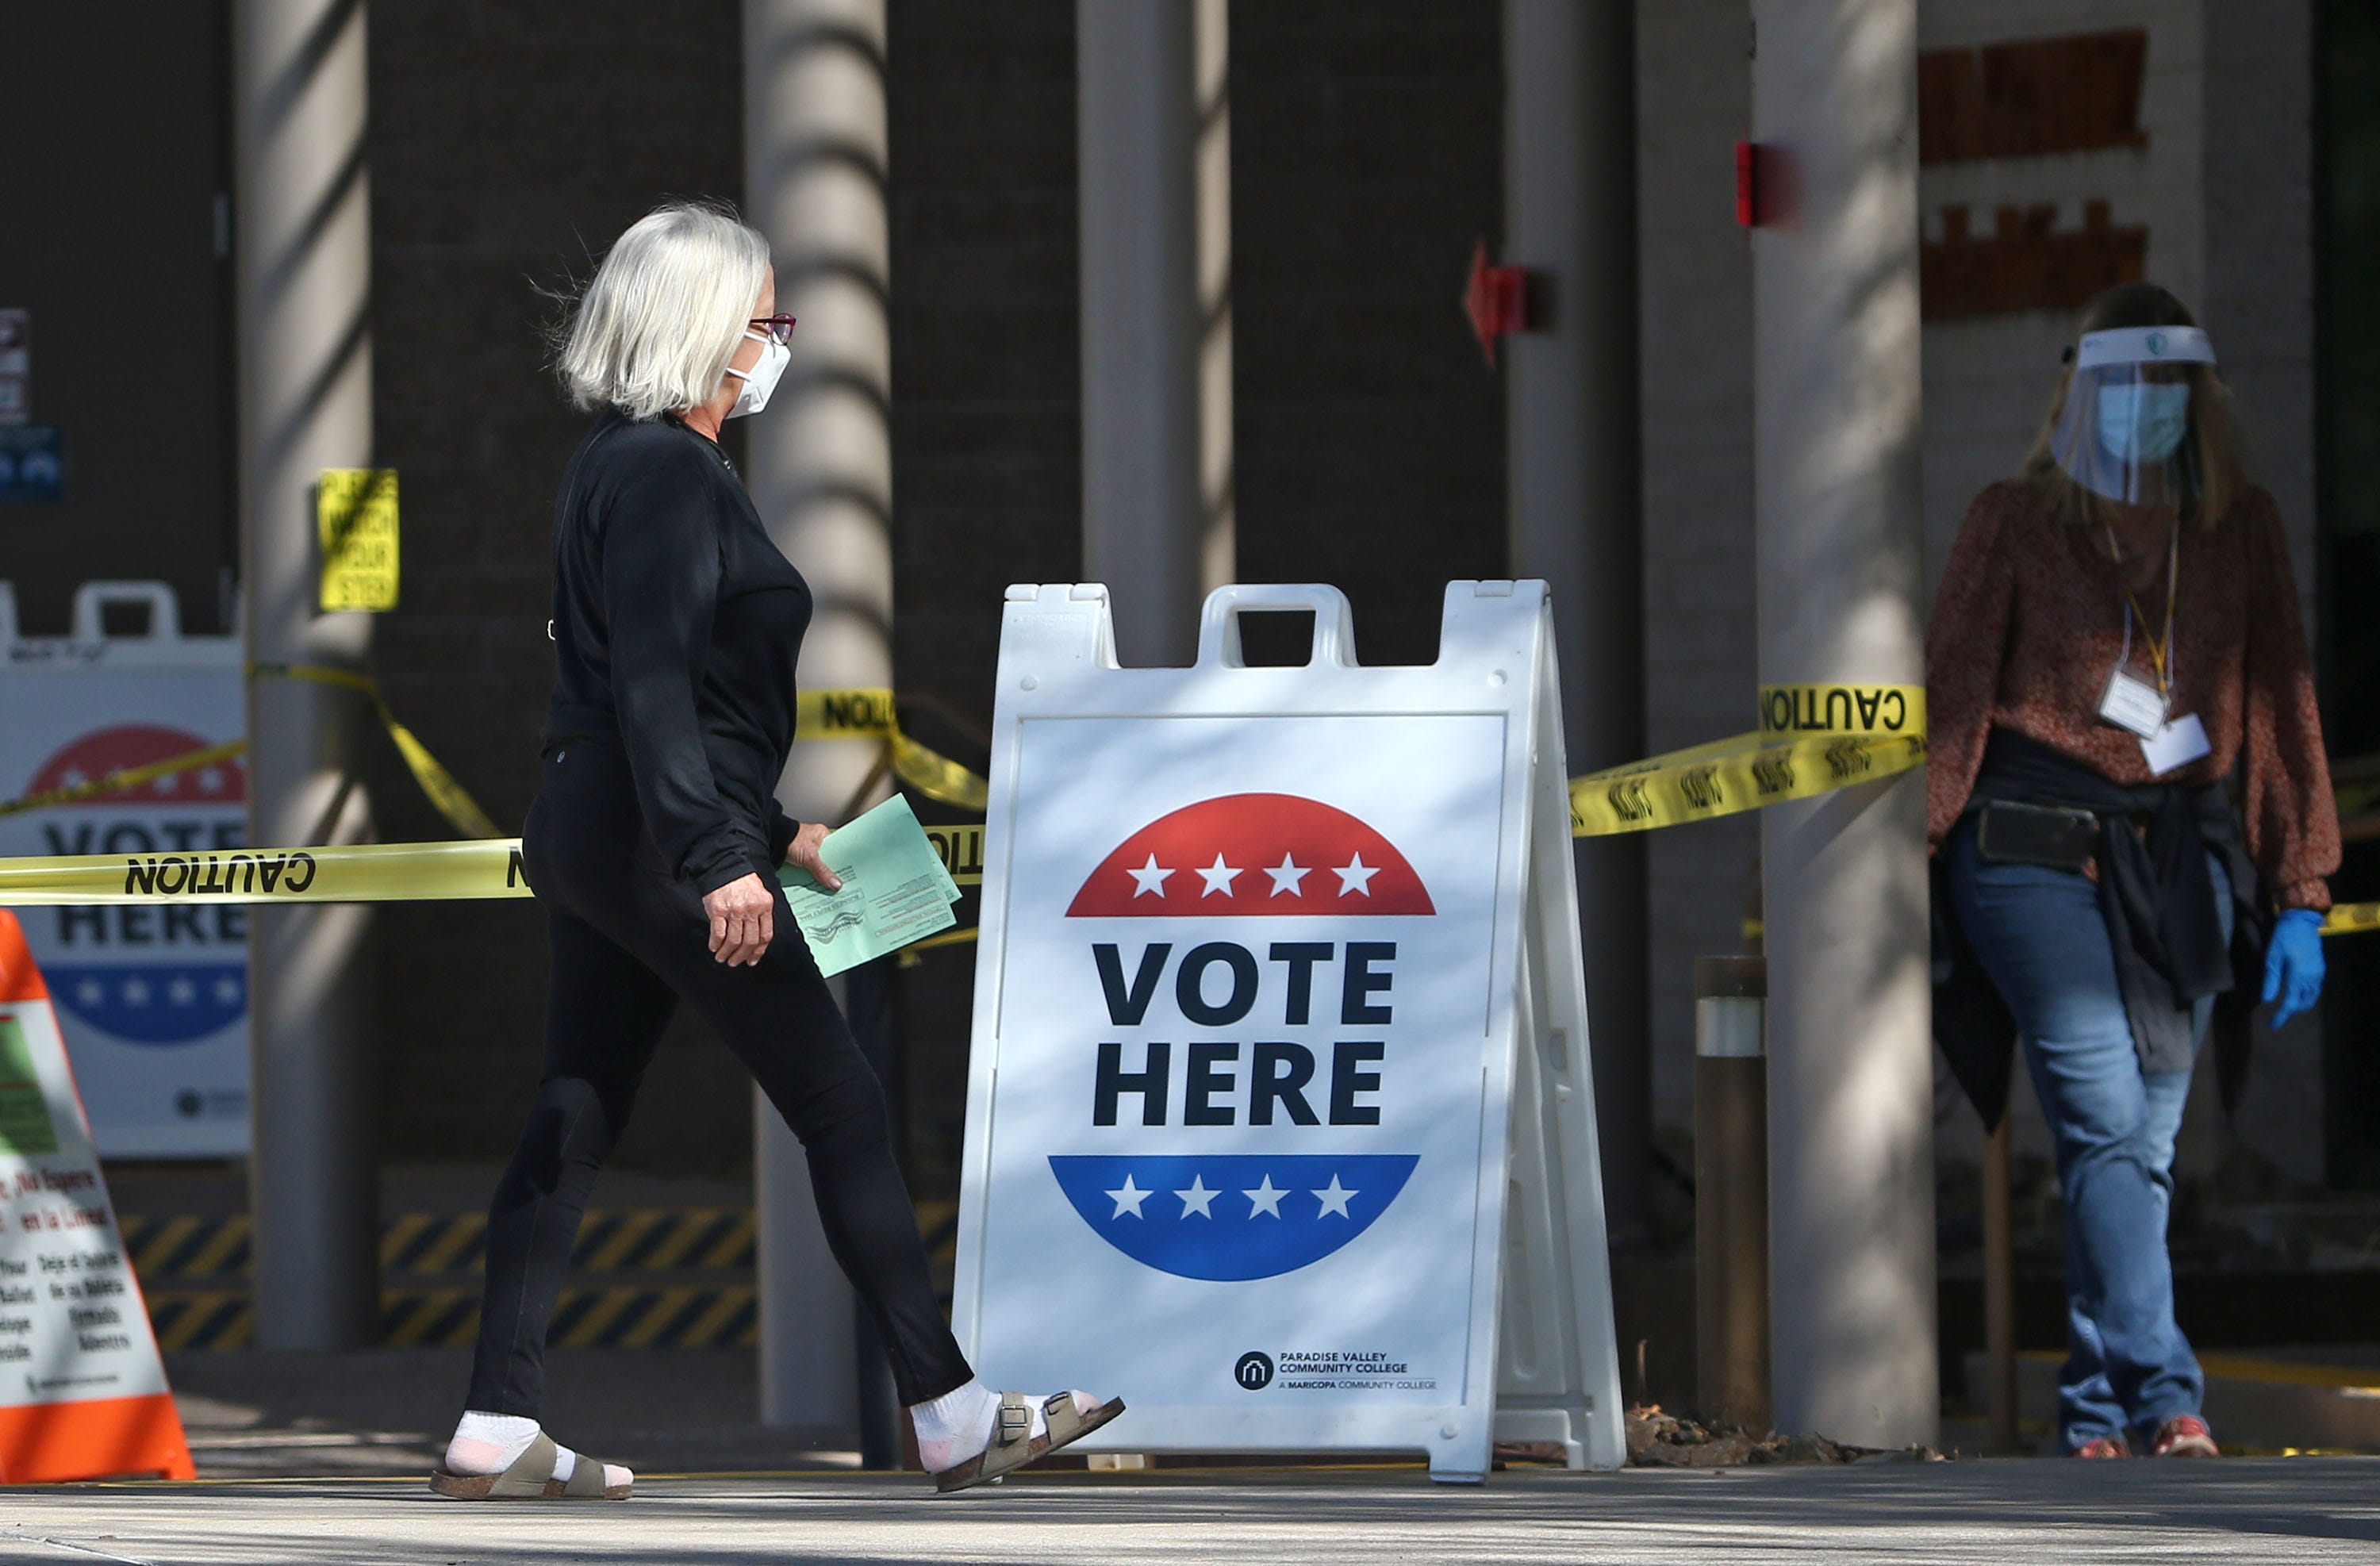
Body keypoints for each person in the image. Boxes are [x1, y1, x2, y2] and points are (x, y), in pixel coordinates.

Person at [429, 202, 1120, 1500]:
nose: (775, 347)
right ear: (704, 332)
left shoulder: (615, 465)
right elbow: (652, 684)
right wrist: (715, 858)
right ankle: (954, 1410)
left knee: (572, 1114)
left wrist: (770, 828)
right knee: (839, 1099)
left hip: (599, 824)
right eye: (764, 322)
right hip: (652, 836)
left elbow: (670, 695)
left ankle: (493, 1420)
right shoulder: (669, 475)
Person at [1928, 282, 2338, 1460]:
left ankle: (2097, 1409)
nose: (2141, 412)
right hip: (2031, 844)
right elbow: (1951, 695)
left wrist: (2301, 886)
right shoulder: (2015, 520)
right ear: (2079, 398)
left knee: (2143, 1146)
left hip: (2176, 847)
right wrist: (1906, 862)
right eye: (2120, 390)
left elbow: (2279, 700)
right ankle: (2168, 1393)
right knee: (2105, 1113)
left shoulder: (2237, 526)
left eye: (2164, 392)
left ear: (2196, 404)